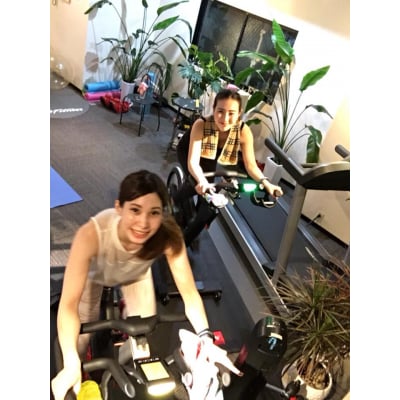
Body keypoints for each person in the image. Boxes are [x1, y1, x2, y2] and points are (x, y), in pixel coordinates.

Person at [51, 169, 241, 400]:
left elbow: (190, 294)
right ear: (119, 207)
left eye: (154, 213)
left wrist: (205, 338)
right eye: (135, 210)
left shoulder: (168, 236)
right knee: (80, 340)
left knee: (143, 336)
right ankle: (82, 367)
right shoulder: (91, 234)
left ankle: (123, 364)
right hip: (97, 275)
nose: (143, 223)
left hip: (136, 274)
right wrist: (71, 362)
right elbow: (68, 305)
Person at [173, 88, 284, 247]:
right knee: (195, 183)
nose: (225, 118)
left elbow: (251, 165)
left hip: (213, 155)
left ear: (239, 113)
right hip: (188, 151)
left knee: (209, 205)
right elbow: (193, 162)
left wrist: (267, 183)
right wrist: (201, 181)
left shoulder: (243, 131)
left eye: (231, 113)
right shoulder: (201, 124)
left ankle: (188, 235)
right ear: (213, 109)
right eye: (220, 111)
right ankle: (173, 200)